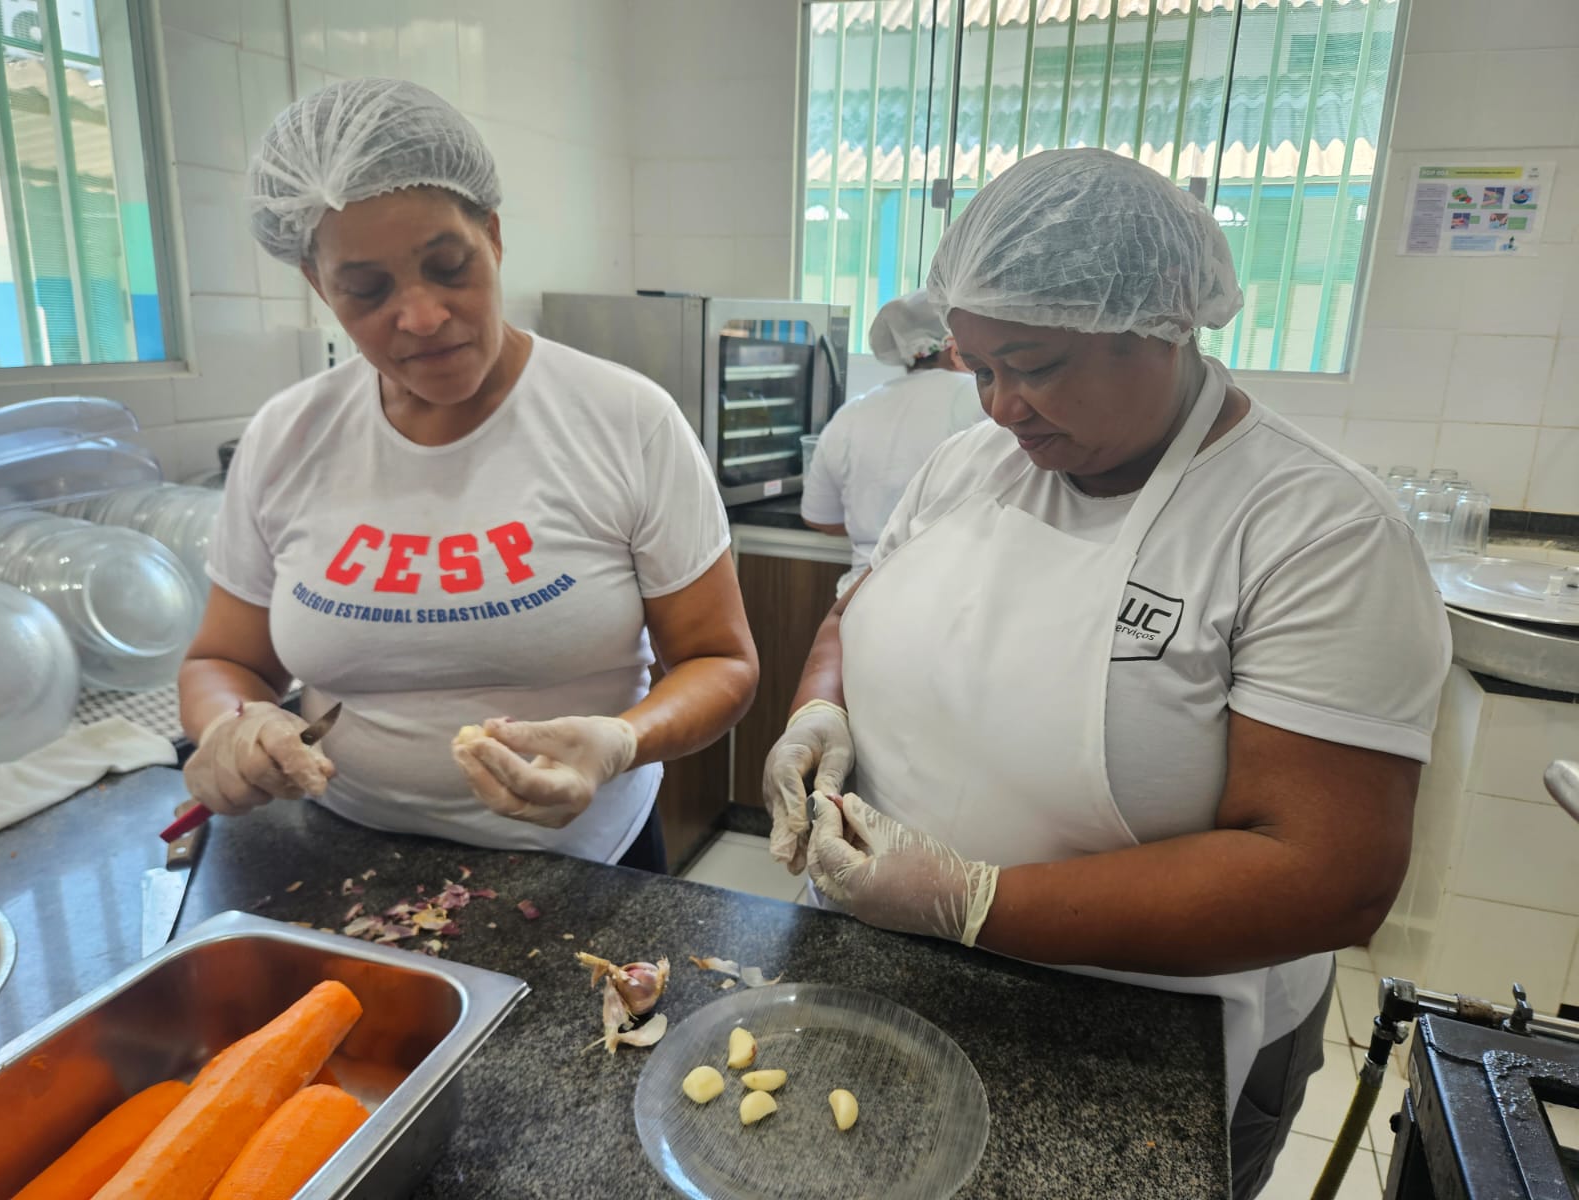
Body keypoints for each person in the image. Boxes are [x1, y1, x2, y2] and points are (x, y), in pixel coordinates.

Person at [762, 149, 1450, 1198]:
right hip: (891, 963)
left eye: (1034, 365)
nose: (1001, 406)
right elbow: (857, 607)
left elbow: (1327, 875)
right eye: (978, 368)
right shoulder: (968, 465)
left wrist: (971, 900)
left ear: (1163, 322)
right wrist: (818, 709)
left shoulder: (1316, 530)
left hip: (1148, 1028)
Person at [177, 79, 758, 871]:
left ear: (493, 235)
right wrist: (228, 725)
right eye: (367, 290)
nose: (421, 316)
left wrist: (621, 741)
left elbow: (721, 662)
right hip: (347, 855)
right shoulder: (288, 437)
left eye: (449, 267)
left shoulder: (627, 421)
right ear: (319, 284)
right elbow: (223, 660)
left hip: (584, 864)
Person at [801, 290, 982, 596]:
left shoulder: (851, 413)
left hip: (859, 602)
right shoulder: (981, 400)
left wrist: (875, 526)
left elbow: (820, 518)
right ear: (955, 349)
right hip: (945, 601)